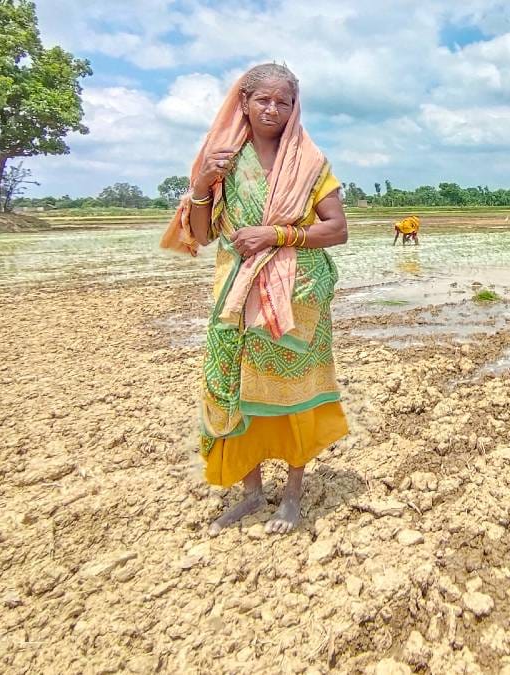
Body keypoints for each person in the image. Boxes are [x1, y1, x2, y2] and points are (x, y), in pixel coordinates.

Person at [159, 63, 349, 536]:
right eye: (263, 99)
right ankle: (251, 492)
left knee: (293, 391)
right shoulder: (221, 159)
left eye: (283, 101)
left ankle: (292, 495)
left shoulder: (310, 161)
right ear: (243, 102)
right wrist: (200, 186)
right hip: (235, 292)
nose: (272, 109)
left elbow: (336, 229)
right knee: (236, 387)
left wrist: (275, 234)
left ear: (294, 107)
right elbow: (203, 235)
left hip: (298, 292)